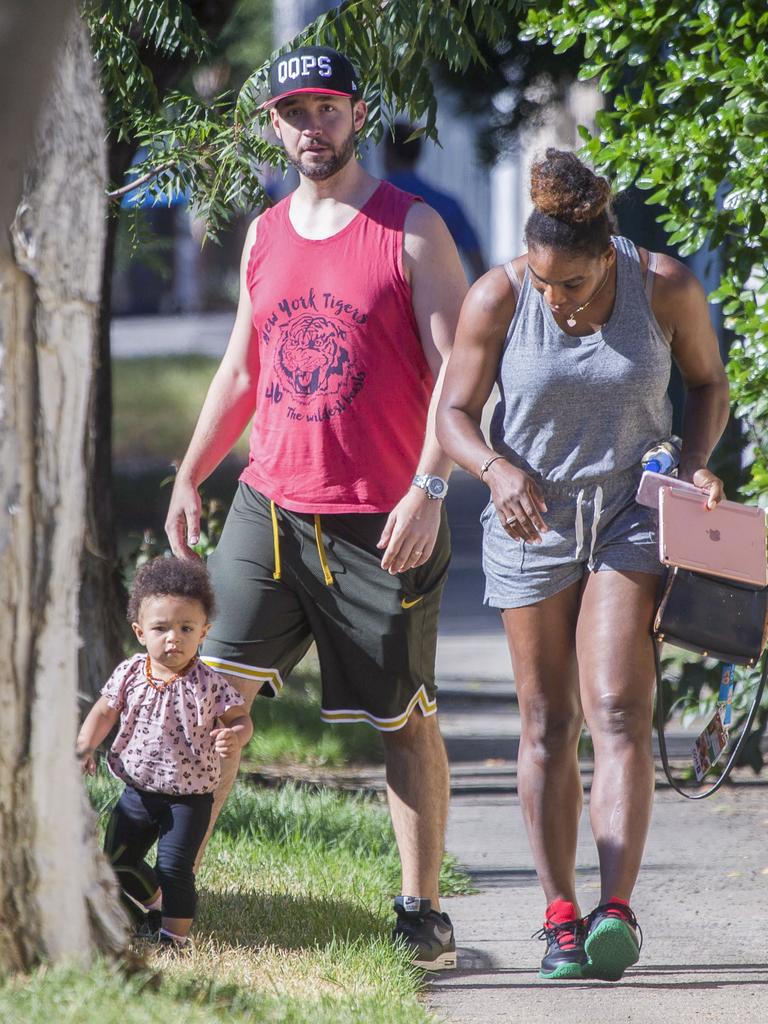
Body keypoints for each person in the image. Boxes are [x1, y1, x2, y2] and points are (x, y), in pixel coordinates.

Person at [164, 45, 467, 970]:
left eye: (327, 109)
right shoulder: (261, 235)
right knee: (209, 699)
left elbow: (463, 378)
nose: (311, 127)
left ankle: (420, 911)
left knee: (403, 719)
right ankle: (171, 901)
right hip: (270, 504)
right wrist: (189, 471)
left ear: (359, 114)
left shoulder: (412, 231)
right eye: (294, 112)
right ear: (271, 123)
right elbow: (243, 370)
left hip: (385, 517)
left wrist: (429, 487)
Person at [436, 149, 729, 981]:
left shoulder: (662, 285)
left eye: (571, 285)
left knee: (619, 710)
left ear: (609, 256)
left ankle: (617, 911)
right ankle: (560, 913)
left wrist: (696, 459)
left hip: (633, 515)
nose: (555, 301)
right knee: (547, 723)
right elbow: (454, 412)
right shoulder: (499, 295)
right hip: (531, 521)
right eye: (543, 283)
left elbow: (709, 385)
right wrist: (495, 470)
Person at [76, 557, 252, 949]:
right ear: (140, 632)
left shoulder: (209, 683)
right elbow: (104, 711)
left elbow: (240, 717)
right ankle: (155, 910)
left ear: (203, 632)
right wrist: (84, 746)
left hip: (189, 799)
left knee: (174, 868)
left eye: (186, 628)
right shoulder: (130, 673)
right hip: (138, 790)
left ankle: (174, 938)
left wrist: (235, 735)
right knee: (118, 860)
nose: (173, 637)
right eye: (161, 628)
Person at [384, 120, 487, 281]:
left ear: (387, 151)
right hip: (437, 298)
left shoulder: (369, 202)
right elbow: (476, 261)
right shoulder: (447, 205)